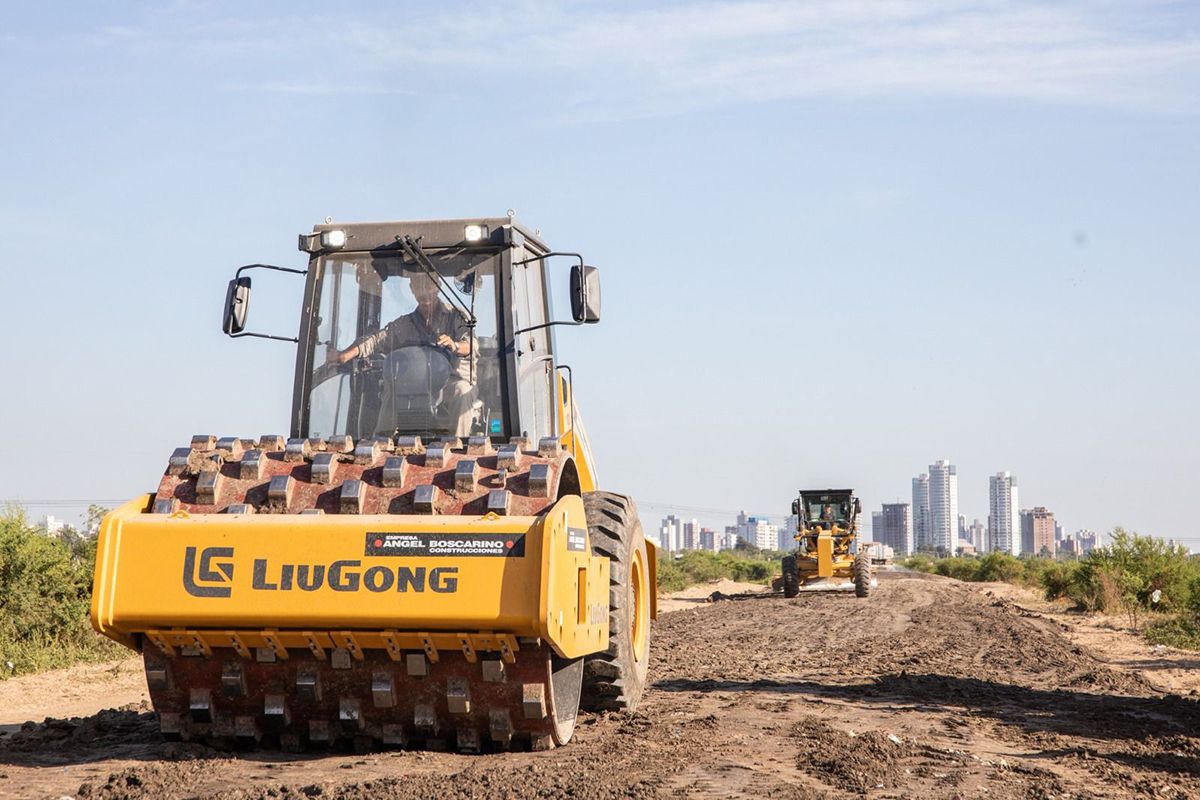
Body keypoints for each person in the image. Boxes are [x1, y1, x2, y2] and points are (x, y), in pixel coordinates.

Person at [331, 272, 477, 435]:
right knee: (392, 387)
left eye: (428, 284)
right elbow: (376, 340)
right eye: (418, 285)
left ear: (438, 286)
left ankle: (458, 445)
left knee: (462, 390)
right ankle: (381, 440)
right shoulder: (405, 324)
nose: (424, 290)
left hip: (449, 382)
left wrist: (455, 345)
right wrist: (344, 355)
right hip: (415, 384)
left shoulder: (456, 316)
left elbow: (471, 345)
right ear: (412, 288)